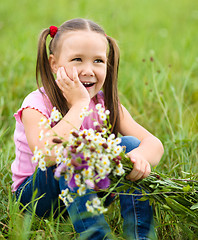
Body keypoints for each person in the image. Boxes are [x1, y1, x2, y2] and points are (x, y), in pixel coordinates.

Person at [11, 18, 164, 239]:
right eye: (77, 59)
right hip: (39, 196)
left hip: (91, 190)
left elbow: (154, 144)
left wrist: (138, 157)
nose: (88, 70)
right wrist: (80, 105)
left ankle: (140, 235)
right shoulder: (36, 103)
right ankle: (97, 236)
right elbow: (45, 153)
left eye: (98, 61)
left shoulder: (105, 104)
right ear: (54, 64)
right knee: (74, 154)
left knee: (130, 145)